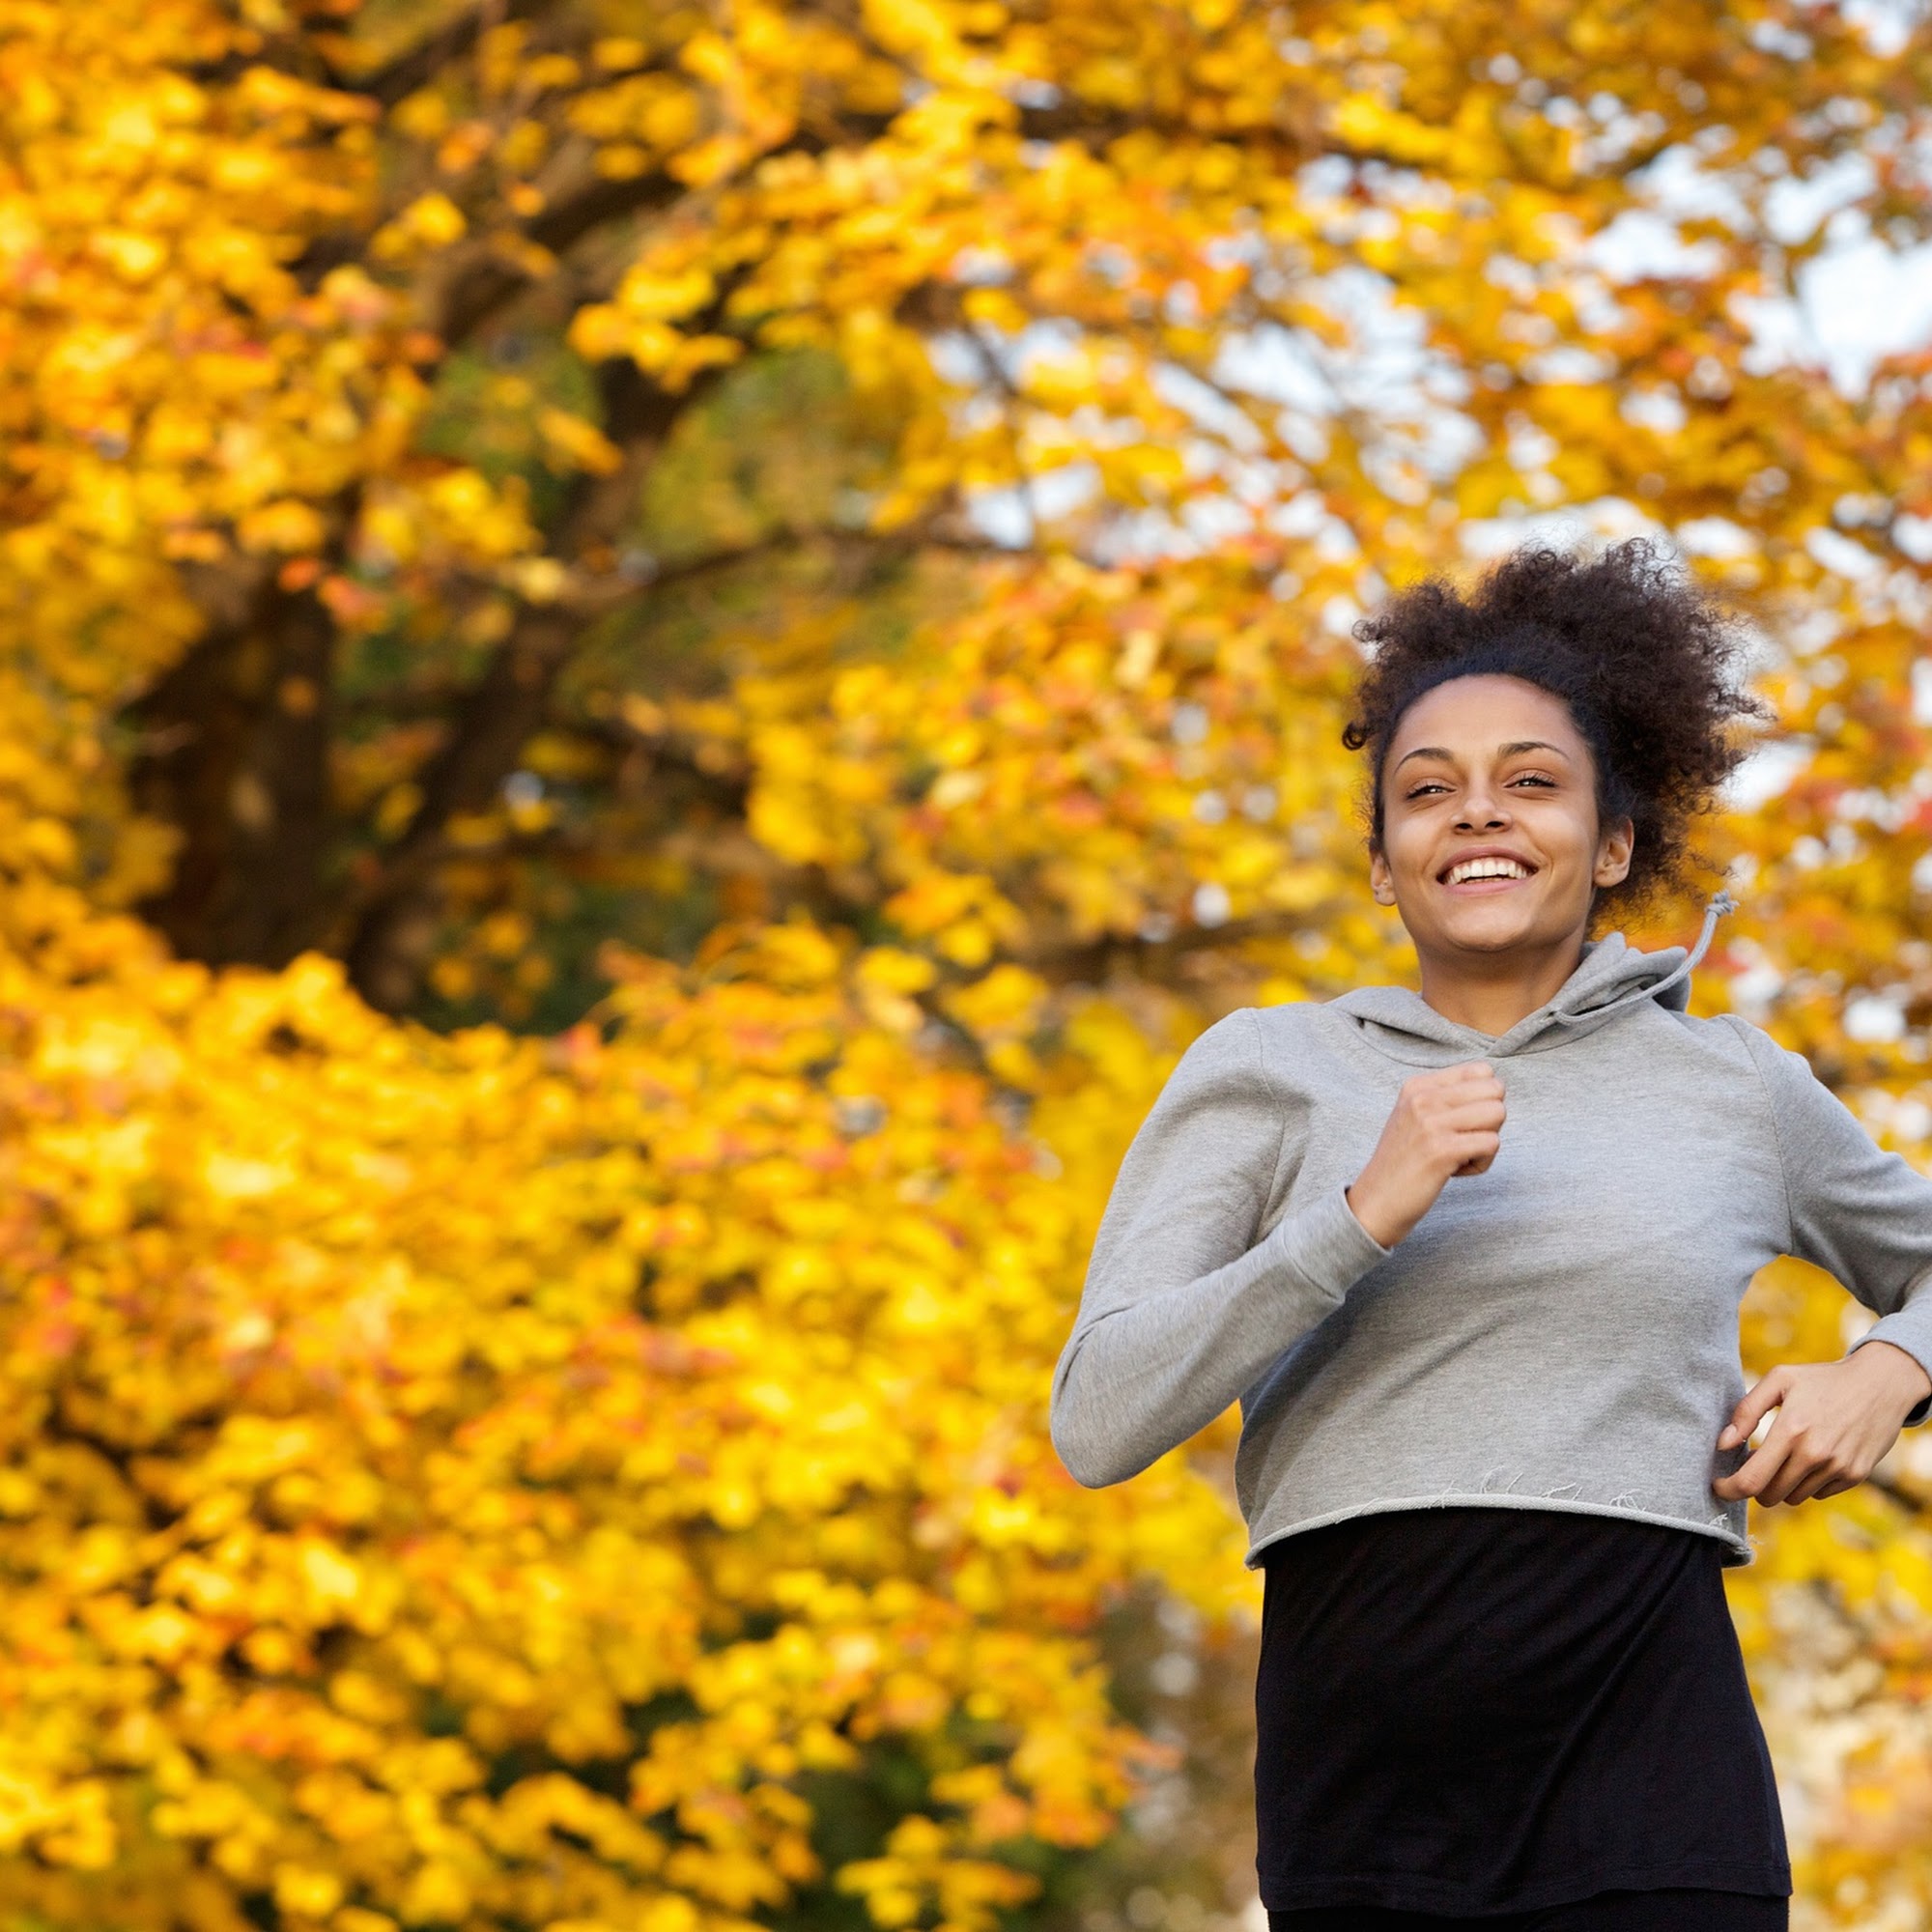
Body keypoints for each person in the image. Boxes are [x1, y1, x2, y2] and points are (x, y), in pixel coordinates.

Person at [1049, 540, 1932, 1931]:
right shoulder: (1267, 1068)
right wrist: (1353, 1222)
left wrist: (1884, 1370)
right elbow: (1099, 1417)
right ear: (1386, 865)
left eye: (1532, 781)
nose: (1478, 816)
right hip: (1366, 1788)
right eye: (1427, 792)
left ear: (1620, 841)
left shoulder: (1732, 1085)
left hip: (1655, 1775)